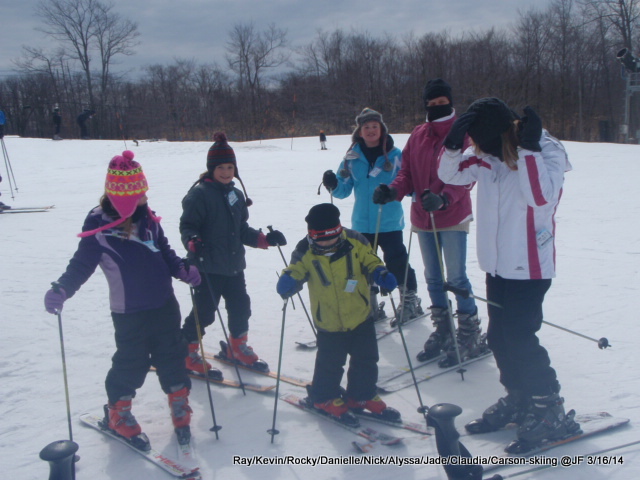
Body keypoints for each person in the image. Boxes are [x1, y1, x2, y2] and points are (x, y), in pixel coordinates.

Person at [437, 98, 577, 448]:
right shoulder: (486, 155)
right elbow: (449, 174)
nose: (480, 150)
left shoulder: (546, 149)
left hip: (529, 265)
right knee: (499, 337)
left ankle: (549, 407)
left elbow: (541, 198)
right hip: (497, 265)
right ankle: (520, 396)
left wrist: (528, 150)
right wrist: (453, 145)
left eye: (482, 142)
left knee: (520, 338)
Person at [43, 150, 200, 444]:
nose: (145, 199)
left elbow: (164, 250)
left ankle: (178, 400)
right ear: (124, 199)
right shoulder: (99, 229)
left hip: (165, 304)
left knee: (172, 354)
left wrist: (182, 269)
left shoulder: (149, 219)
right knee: (131, 361)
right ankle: (118, 410)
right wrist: (62, 289)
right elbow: (81, 265)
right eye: (139, 195)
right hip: (129, 312)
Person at [372, 79, 482, 367]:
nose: (436, 108)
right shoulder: (418, 134)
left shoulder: (463, 132)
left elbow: (468, 176)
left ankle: (469, 332)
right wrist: (393, 190)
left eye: (441, 102)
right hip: (423, 216)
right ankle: (444, 329)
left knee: (456, 277)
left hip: (452, 214)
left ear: (450, 101)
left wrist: (444, 198)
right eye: (431, 104)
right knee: (433, 277)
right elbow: (406, 173)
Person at [276, 203, 400, 425]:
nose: (328, 243)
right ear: (312, 235)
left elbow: (370, 259)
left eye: (332, 237)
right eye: (321, 239)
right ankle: (323, 397)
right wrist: (290, 280)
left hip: (360, 315)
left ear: (339, 230)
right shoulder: (305, 250)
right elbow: (296, 269)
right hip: (329, 320)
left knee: (366, 359)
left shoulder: (355, 240)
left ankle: (361, 396)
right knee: (330, 363)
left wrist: (379, 272)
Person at [179, 132, 286, 374]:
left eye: (230, 167)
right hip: (207, 266)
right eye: (221, 167)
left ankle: (237, 347)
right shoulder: (199, 194)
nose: (226, 172)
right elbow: (187, 226)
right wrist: (193, 241)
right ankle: (186, 351)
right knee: (204, 312)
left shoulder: (236, 195)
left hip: (234, 266)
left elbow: (241, 230)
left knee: (241, 307)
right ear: (211, 168)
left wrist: (265, 239)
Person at [322, 108, 422, 325]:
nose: (370, 130)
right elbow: (343, 190)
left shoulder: (396, 156)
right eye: (366, 127)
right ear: (359, 131)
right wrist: (333, 183)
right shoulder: (351, 157)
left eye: (374, 126)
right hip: (361, 223)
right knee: (363, 265)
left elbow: (408, 184)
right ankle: (369, 303)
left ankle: (409, 299)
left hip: (389, 221)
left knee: (396, 261)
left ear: (382, 129)